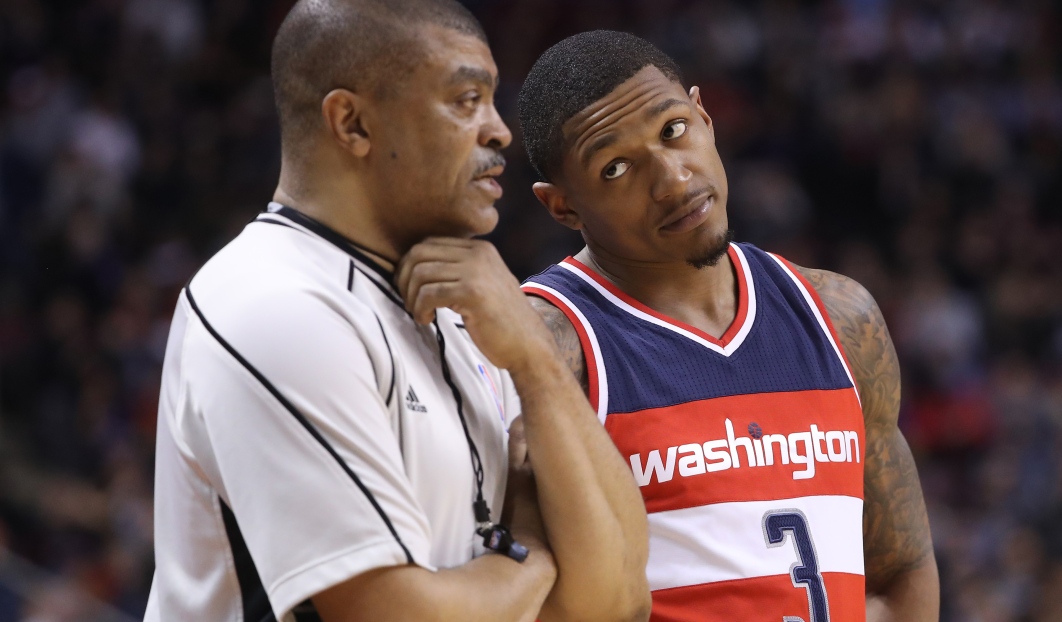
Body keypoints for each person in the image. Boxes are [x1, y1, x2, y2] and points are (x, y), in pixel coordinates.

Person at [143, 5, 650, 622]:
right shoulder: (273, 303)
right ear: (352, 124)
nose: (498, 131)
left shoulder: (465, 309)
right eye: (466, 100)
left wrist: (534, 359)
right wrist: (537, 557)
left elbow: (617, 597)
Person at [516, 31, 939, 621]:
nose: (672, 180)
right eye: (616, 168)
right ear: (561, 206)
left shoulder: (842, 314)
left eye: (673, 131)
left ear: (705, 116)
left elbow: (900, 568)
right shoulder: (543, 346)